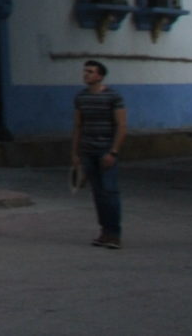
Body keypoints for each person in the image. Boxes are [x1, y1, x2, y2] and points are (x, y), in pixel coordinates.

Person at [71, 59, 127, 247]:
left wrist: (113, 151)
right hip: (88, 151)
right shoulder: (81, 97)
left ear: (100, 76)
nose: (86, 74)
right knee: (98, 193)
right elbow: (78, 125)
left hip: (105, 150)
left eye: (91, 71)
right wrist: (76, 153)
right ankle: (104, 231)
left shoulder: (113, 96)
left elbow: (121, 125)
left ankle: (114, 233)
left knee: (110, 192)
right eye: (85, 71)